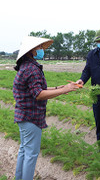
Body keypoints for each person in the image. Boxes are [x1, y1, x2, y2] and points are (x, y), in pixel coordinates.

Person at [13, 36, 79, 180]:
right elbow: (39, 94)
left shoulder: (26, 66)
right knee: (31, 154)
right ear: (31, 51)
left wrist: (58, 87)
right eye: (39, 48)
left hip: (23, 116)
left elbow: (35, 89)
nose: (42, 50)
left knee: (24, 151)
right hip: (31, 117)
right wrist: (64, 90)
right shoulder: (32, 68)